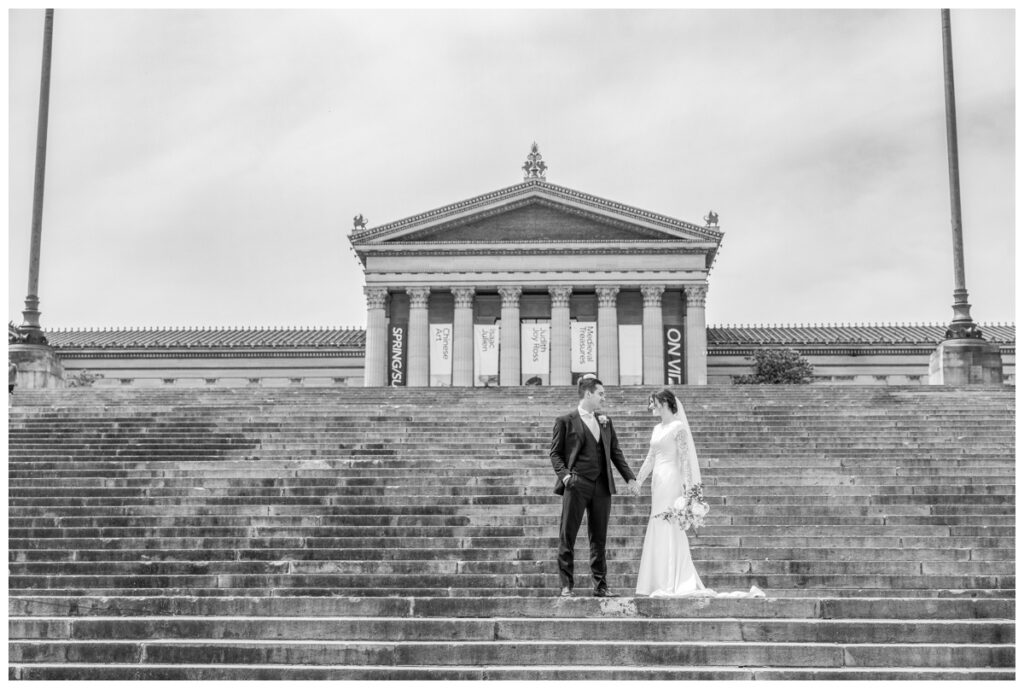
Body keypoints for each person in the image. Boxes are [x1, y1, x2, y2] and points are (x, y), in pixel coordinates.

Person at [634, 388, 764, 598]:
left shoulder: (678, 427)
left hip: (671, 479)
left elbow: (685, 461)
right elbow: (651, 457)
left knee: (670, 524)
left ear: (665, 403)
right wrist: (638, 481)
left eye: (653, 402)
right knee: (657, 522)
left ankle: (674, 580)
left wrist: (687, 492)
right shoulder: (657, 428)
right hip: (657, 481)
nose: (651, 407)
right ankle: (657, 579)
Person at [550, 376, 639, 598]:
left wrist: (630, 478)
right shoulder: (565, 420)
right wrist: (566, 477)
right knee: (567, 535)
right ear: (588, 394)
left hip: (602, 486)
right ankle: (566, 585)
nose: (604, 397)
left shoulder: (605, 420)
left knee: (599, 537)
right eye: (601, 393)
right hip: (577, 484)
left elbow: (615, 452)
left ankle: (601, 586)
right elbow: (555, 453)